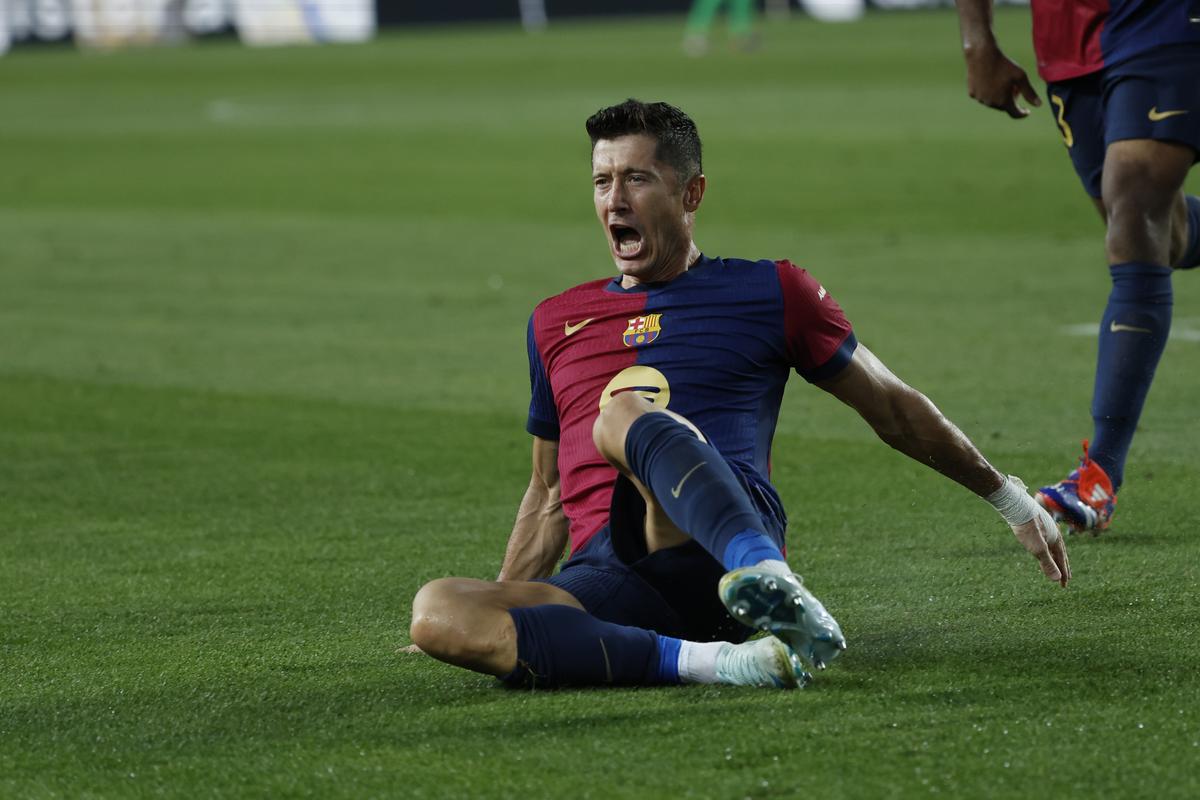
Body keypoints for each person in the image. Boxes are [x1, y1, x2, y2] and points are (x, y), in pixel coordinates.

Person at [408, 99, 1069, 690]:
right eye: (602, 181)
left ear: (691, 193)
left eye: (637, 179)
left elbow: (892, 406)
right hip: (612, 575)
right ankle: (724, 665)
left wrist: (1011, 500)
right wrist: (500, 599)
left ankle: (768, 579)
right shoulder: (556, 319)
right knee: (439, 613)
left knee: (624, 415)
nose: (615, 200)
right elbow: (550, 493)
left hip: (719, 543)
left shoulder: (769, 291)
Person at [953, 1, 1200, 534]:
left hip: (1165, 19)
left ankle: (1099, 474)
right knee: (1152, 230)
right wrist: (978, 41)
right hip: (1069, 38)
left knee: (1134, 208)